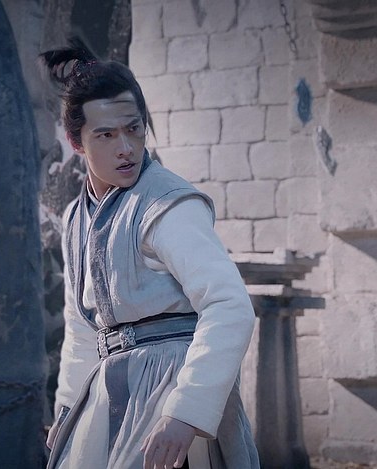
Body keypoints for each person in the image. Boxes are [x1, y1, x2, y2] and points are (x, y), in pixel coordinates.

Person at [41, 39, 260, 469]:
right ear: (76, 141)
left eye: (134, 129)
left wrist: (186, 411)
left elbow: (229, 305)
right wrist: (69, 408)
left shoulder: (167, 204)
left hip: (171, 386)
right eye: (106, 135)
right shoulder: (76, 217)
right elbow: (84, 328)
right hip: (109, 391)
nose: (125, 147)